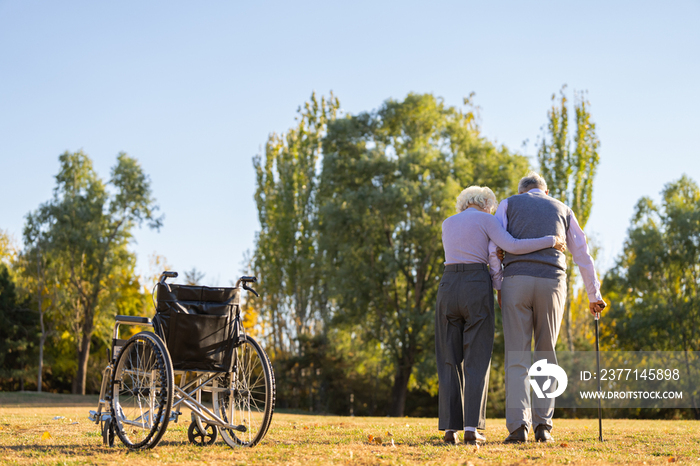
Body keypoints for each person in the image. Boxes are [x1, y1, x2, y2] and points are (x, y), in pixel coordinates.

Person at [437, 185, 566, 445]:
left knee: (449, 359)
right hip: (475, 284)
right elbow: (510, 246)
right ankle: (472, 429)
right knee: (477, 358)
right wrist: (551, 240)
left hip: (448, 285)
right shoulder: (486, 220)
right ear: (487, 204)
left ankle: (450, 430)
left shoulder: (447, 223)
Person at [490, 172, 606, 444]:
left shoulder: (509, 204)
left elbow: (493, 246)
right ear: (545, 190)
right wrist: (593, 294)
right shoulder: (563, 209)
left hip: (516, 281)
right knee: (546, 354)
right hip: (552, 283)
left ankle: (518, 427)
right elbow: (582, 254)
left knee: (517, 355)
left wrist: (499, 284)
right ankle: (543, 427)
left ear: (523, 190)